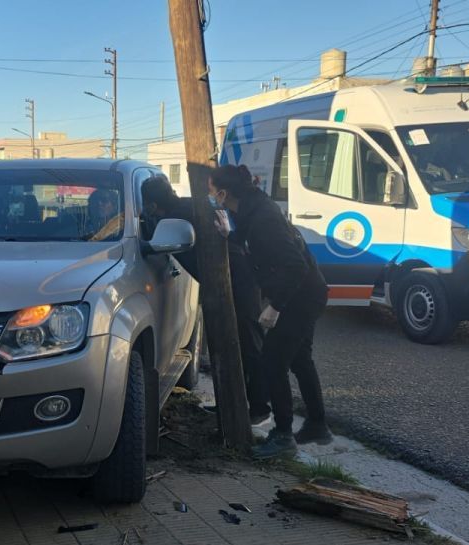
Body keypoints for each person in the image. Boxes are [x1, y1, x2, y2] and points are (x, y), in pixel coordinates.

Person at [209, 164, 333, 457]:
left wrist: (275, 308)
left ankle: (283, 436)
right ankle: (317, 424)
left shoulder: (263, 218)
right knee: (300, 359)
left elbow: (295, 266)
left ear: (224, 194)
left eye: (212, 192)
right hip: (308, 291)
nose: (211, 197)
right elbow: (255, 243)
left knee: (272, 361)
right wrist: (231, 235)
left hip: (300, 296)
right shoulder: (253, 209)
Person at [141, 176, 272, 424]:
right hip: (230, 280)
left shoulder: (178, 216)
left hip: (238, 279)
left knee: (247, 343)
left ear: (152, 204)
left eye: (147, 205)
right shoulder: (189, 206)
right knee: (227, 345)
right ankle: (232, 405)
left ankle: (259, 408)